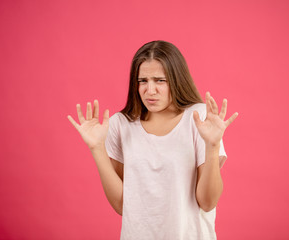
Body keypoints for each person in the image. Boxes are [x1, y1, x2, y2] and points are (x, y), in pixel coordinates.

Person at [67, 40, 238, 240]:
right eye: (142, 81)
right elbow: (123, 205)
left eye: (160, 80)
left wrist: (213, 145)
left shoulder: (199, 118)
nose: (150, 90)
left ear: (176, 79)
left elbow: (207, 202)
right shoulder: (120, 124)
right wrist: (97, 149)